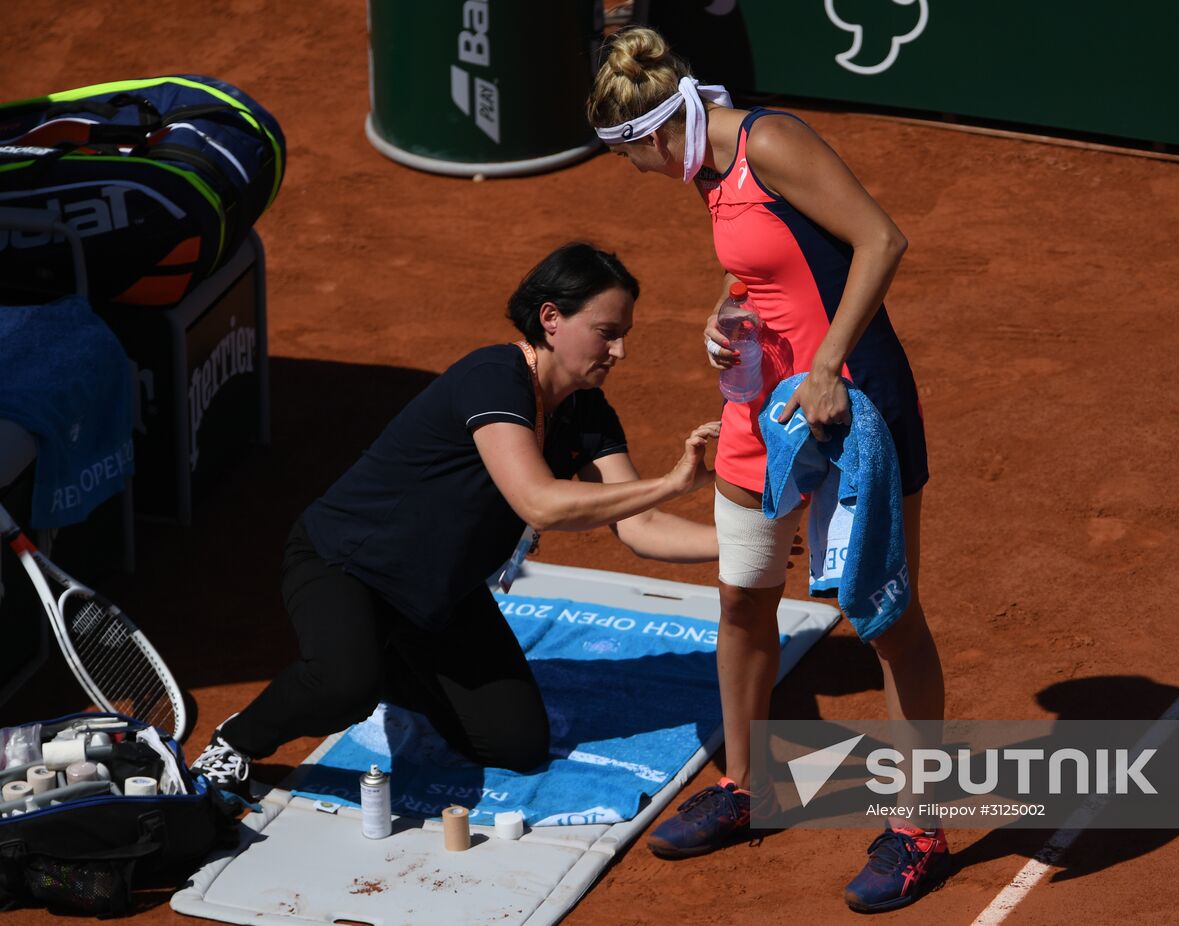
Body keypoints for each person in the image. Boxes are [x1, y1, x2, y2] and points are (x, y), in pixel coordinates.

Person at [587, 27, 950, 913]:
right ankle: (746, 787)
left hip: (850, 410)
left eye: (632, 156)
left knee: (884, 616)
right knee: (743, 595)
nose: (636, 173)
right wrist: (722, 321)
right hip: (763, 413)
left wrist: (825, 364)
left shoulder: (771, 142)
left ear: (658, 133)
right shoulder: (709, 174)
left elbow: (880, 240)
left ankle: (920, 829)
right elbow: (762, 276)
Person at [190, 243, 721, 792]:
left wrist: (742, 543)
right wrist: (671, 483)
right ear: (552, 319)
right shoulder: (493, 376)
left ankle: (385, 658)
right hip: (347, 566)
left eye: (623, 334)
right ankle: (238, 740)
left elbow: (641, 526)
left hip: (436, 594)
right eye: (607, 331)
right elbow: (537, 502)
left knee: (515, 745)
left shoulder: (588, 413)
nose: (620, 350)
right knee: (344, 686)